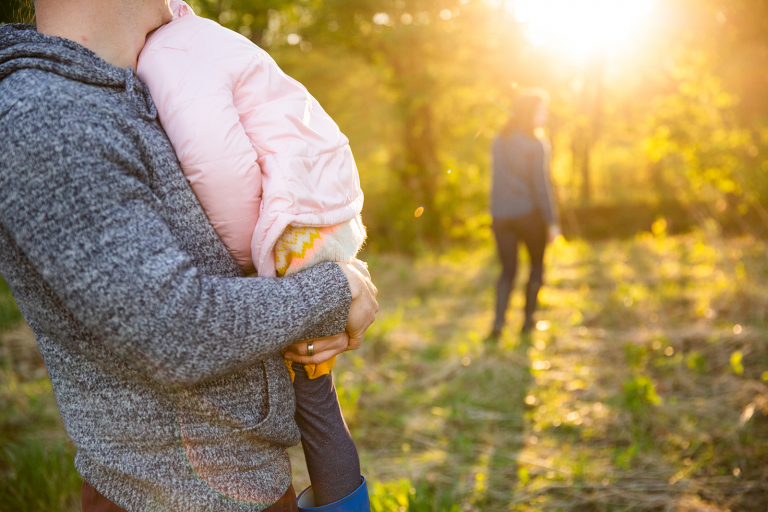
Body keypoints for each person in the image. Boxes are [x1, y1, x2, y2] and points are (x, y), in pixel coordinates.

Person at [0, 1, 378, 512]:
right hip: (176, 495)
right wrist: (335, 290)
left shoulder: (146, 87)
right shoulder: (47, 114)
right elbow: (177, 330)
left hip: (245, 480)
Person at [135, 1, 368, 508]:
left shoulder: (165, 54)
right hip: (321, 211)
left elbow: (218, 168)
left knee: (311, 390)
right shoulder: (206, 37)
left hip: (293, 231)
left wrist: (248, 265)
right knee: (315, 391)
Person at [489, 89, 559, 337]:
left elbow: (495, 182)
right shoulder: (536, 144)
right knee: (536, 267)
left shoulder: (499, 140)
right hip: (529, 215)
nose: (545, 114)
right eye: (542, 110)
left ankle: (498, 323)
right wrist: (551, 222)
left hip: (501, 216)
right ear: (531, 112)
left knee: (507, 271)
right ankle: (528, 322)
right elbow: (542, 187)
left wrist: (495, 213)